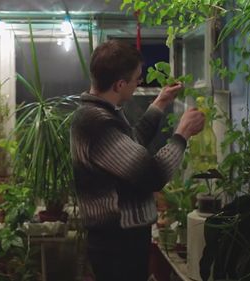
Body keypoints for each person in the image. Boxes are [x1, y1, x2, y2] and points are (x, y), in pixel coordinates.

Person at [70, 40, 205, 281]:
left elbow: (132, 145)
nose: (138, 83)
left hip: (120, 240)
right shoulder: (96, 123)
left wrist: (160, 102)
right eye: (136, 79)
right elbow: (151, 174)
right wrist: (182, 134)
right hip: (118, 245)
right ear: (119, 84)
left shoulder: (100, 115)